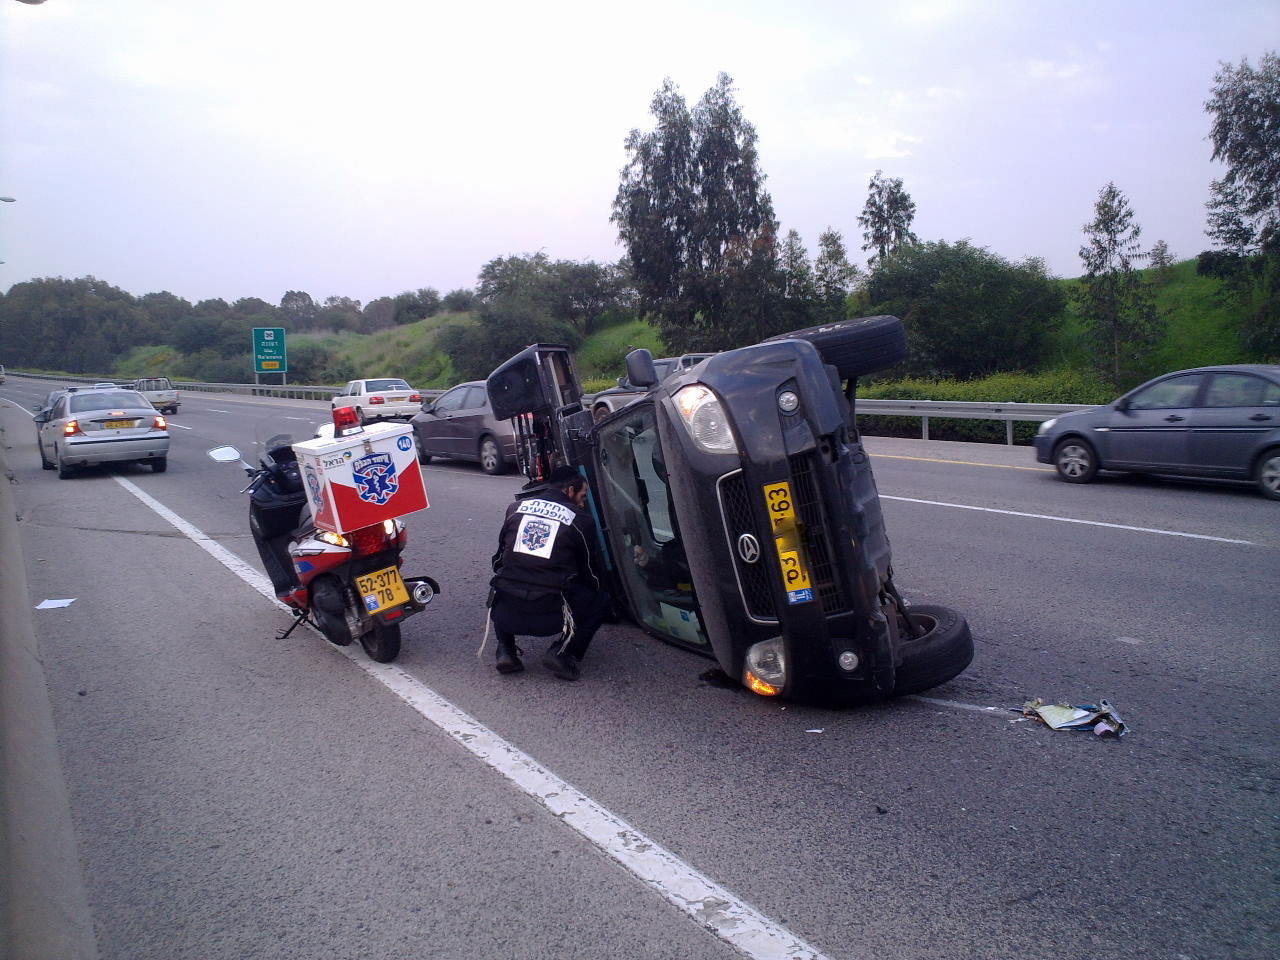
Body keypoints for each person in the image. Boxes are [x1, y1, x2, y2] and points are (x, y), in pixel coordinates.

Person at [488, 465, 610, 680]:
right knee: (601, 599)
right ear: (569, 491)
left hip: (506, 610)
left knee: (503, 579)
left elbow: (497, 561)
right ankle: (563, 653)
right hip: (551, 613)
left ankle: (506, 650)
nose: (582, 503)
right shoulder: (580, 520)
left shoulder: (515, 509)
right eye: (582, 496)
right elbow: (589, 573)